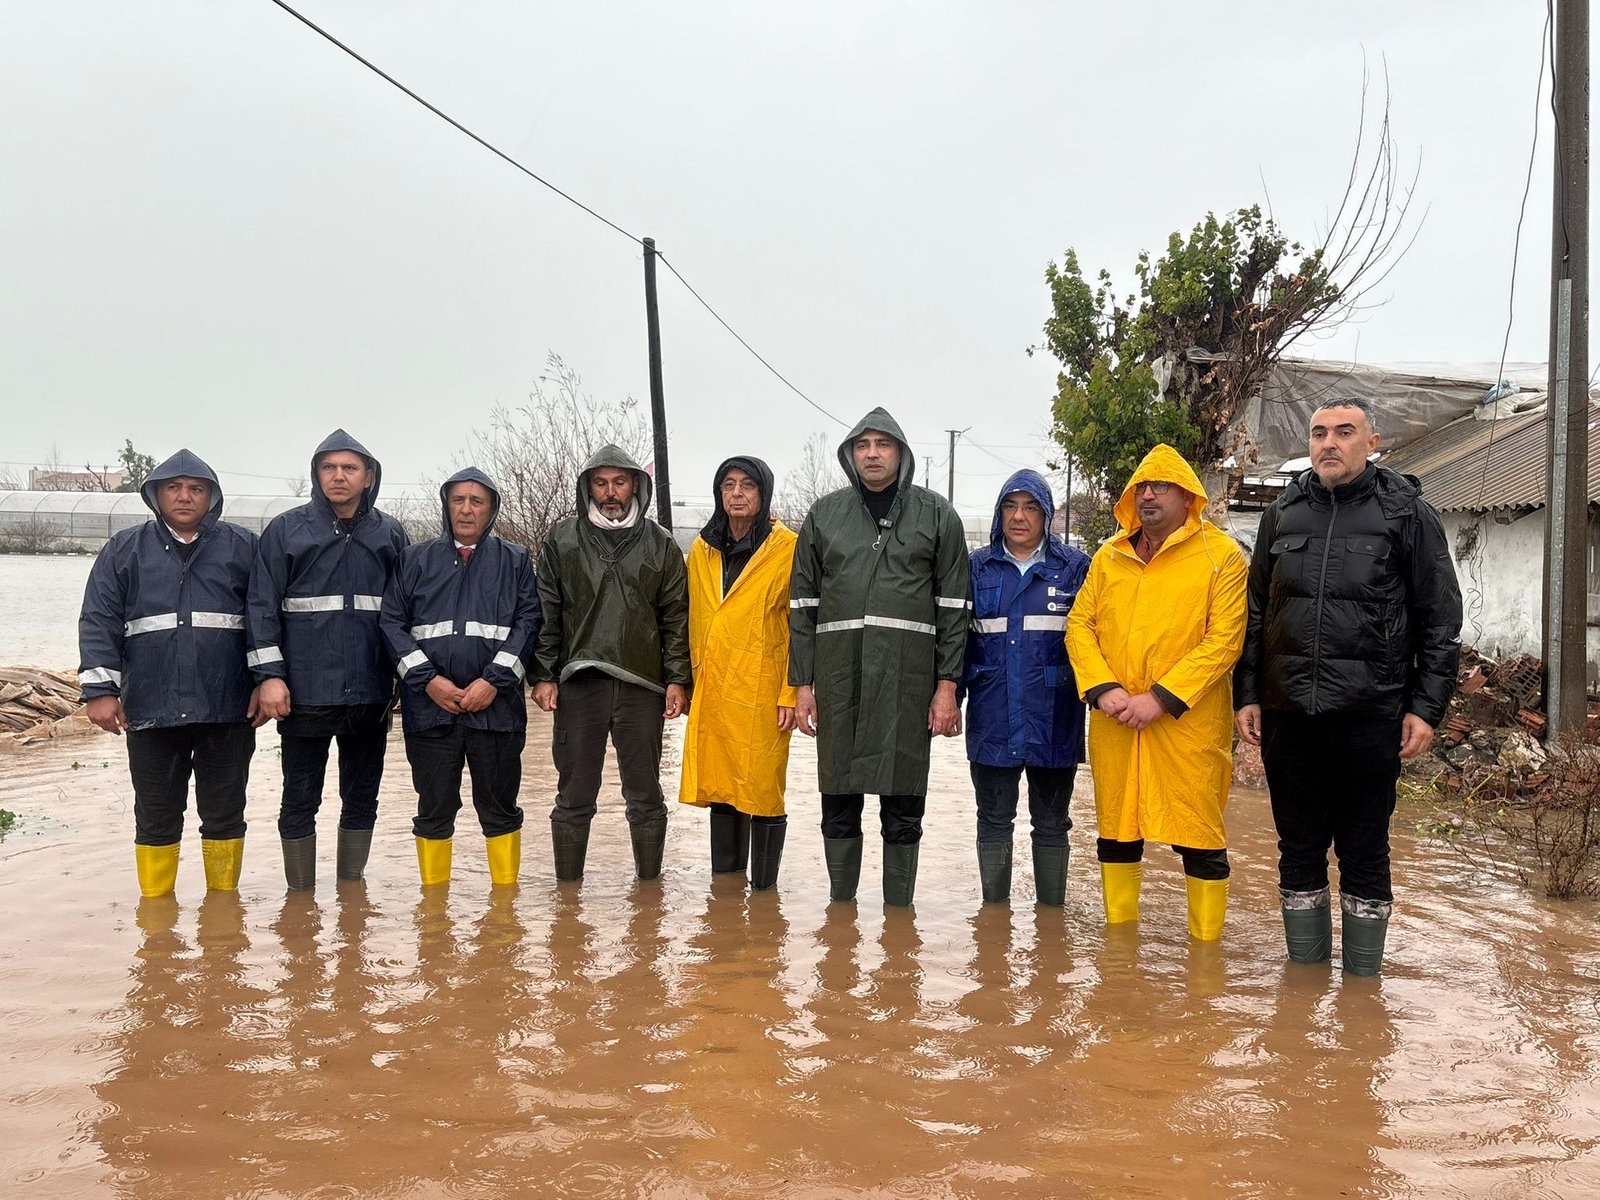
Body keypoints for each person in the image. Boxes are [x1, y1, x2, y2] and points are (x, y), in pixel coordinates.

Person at [1235, 397, 1462, 976]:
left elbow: (1439, 618)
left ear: (1372, 443)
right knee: (1298, 848)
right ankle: (1304, 985)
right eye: (1318, 434)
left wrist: (1426, 708)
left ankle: (1363, 986)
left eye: (1344, 432)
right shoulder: (1283, 513)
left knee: (1364, 850)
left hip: (1370, 714)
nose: (1329, 444)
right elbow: (1255, 612)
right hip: (1289, 714)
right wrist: (1249, 693)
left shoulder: (1407, 514)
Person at [1065, 443, 1248, 940]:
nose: (1147, 495)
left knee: (1200, 836)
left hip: (1188, 725)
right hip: (1116, 719)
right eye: (1141, 487)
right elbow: (1080, 625)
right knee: (1117, 831)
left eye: (1160, 486)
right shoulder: (1108, 557)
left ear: (1188, 496)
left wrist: (1160, 699)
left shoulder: (1221, 556)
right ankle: (1119, 949)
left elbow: (1224, 640)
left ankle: (1206, 952)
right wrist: (1102, 688)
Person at [788, 408, 970, 906]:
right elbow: (801, 608)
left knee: (904, 803)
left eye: (882, 444)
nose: (872, 453)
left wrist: (947, 687)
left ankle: (898, 919)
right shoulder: (824, 515)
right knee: (838, 802)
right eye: (863, 445)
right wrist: (802, 686)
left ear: (901, 453)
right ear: (851, 454)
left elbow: (955, 609)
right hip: (839, 679)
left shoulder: (937, 515)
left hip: (907, 682)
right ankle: (840, 917)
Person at [78, 450, 261, 896]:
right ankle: (157, 916)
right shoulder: (124, 550)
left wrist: (267, 679)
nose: (184, 497)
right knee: (156, 817)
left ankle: (223, 911)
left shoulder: (244, 548)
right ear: (155, 495)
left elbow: (265, 618)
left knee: (225, 814)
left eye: (196, 489)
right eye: (173, 488)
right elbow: (99, 619)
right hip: (151, 708)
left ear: (212, 497)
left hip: (227, 708)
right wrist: (100, 691)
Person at [247, 430, 408, 890]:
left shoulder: (390, 533)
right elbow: (261, 607)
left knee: (362, 798)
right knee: (300, 799)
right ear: (316, 474)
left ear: (368, 476)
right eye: (329, 468)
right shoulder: (286, 530)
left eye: (349, 468)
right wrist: (269, 677)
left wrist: (405, 678)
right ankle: (300, 902)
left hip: (371, 692)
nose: (339, 476)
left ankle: (351, 895)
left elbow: (405, 611)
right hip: (304, 693)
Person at [531, 444, 690, 882]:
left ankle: (649, 896)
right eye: (600, 483)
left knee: (645, 796)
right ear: (588, 487)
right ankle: (568, 899)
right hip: (579, 683)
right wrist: (543, 674)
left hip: (643, 686)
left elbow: (676, 616)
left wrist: (677, 678)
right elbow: (547, 610)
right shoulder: (562, 539)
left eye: (619, 482)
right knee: (574, 794)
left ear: (636, 484)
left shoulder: (660, 543)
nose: (610, 492)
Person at [381, 468, 541, 889]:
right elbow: (392, 625)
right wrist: (428, 681)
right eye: (458, 500)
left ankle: (504, 909)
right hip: (430, 711)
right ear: (446, 505)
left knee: (500, 809)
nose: (467, 510)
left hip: (497, 712)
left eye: (477, 501)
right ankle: (434, 910)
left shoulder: (515, 561)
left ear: (491, 510)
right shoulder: (413, 560)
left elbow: (528, 624)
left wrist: (494, 682)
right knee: (433, 809)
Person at [961, 470, 1090, 906]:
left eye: (1031, 507)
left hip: (1054, 715)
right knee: (993, 819)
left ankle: (1050, 918)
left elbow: (1097, 639)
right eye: (1011, 506)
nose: (1019, 517)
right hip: (992, 713)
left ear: (1047, 515)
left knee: (1052, 823)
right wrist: (947, 697)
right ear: (999, 513)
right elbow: (956, 641)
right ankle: (993, 917)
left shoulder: (1076, 568)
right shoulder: (976, 568)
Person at [678, 456, 798, 890]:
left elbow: (800, 627)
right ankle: (725, 893)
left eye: (747, 485)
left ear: (764, 493)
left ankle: (765, 896)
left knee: (763, 788)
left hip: (763, 686)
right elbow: (687, 617)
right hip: (713, 684)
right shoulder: (702, 549)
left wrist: (792, 693)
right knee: (721, 785)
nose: (737, 494)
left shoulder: (788, 548)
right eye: (728, 485)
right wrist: (684, 681)